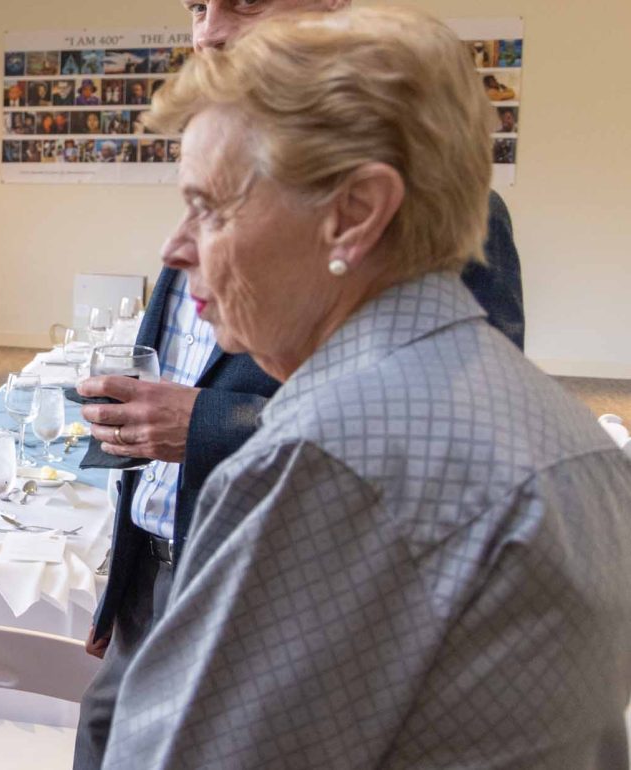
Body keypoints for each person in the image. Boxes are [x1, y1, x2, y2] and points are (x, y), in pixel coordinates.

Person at [103, 8, 631, 766]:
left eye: (210, 209)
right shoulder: (569, 430)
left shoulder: (324, 460)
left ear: (353, 215)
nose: (175, 248)